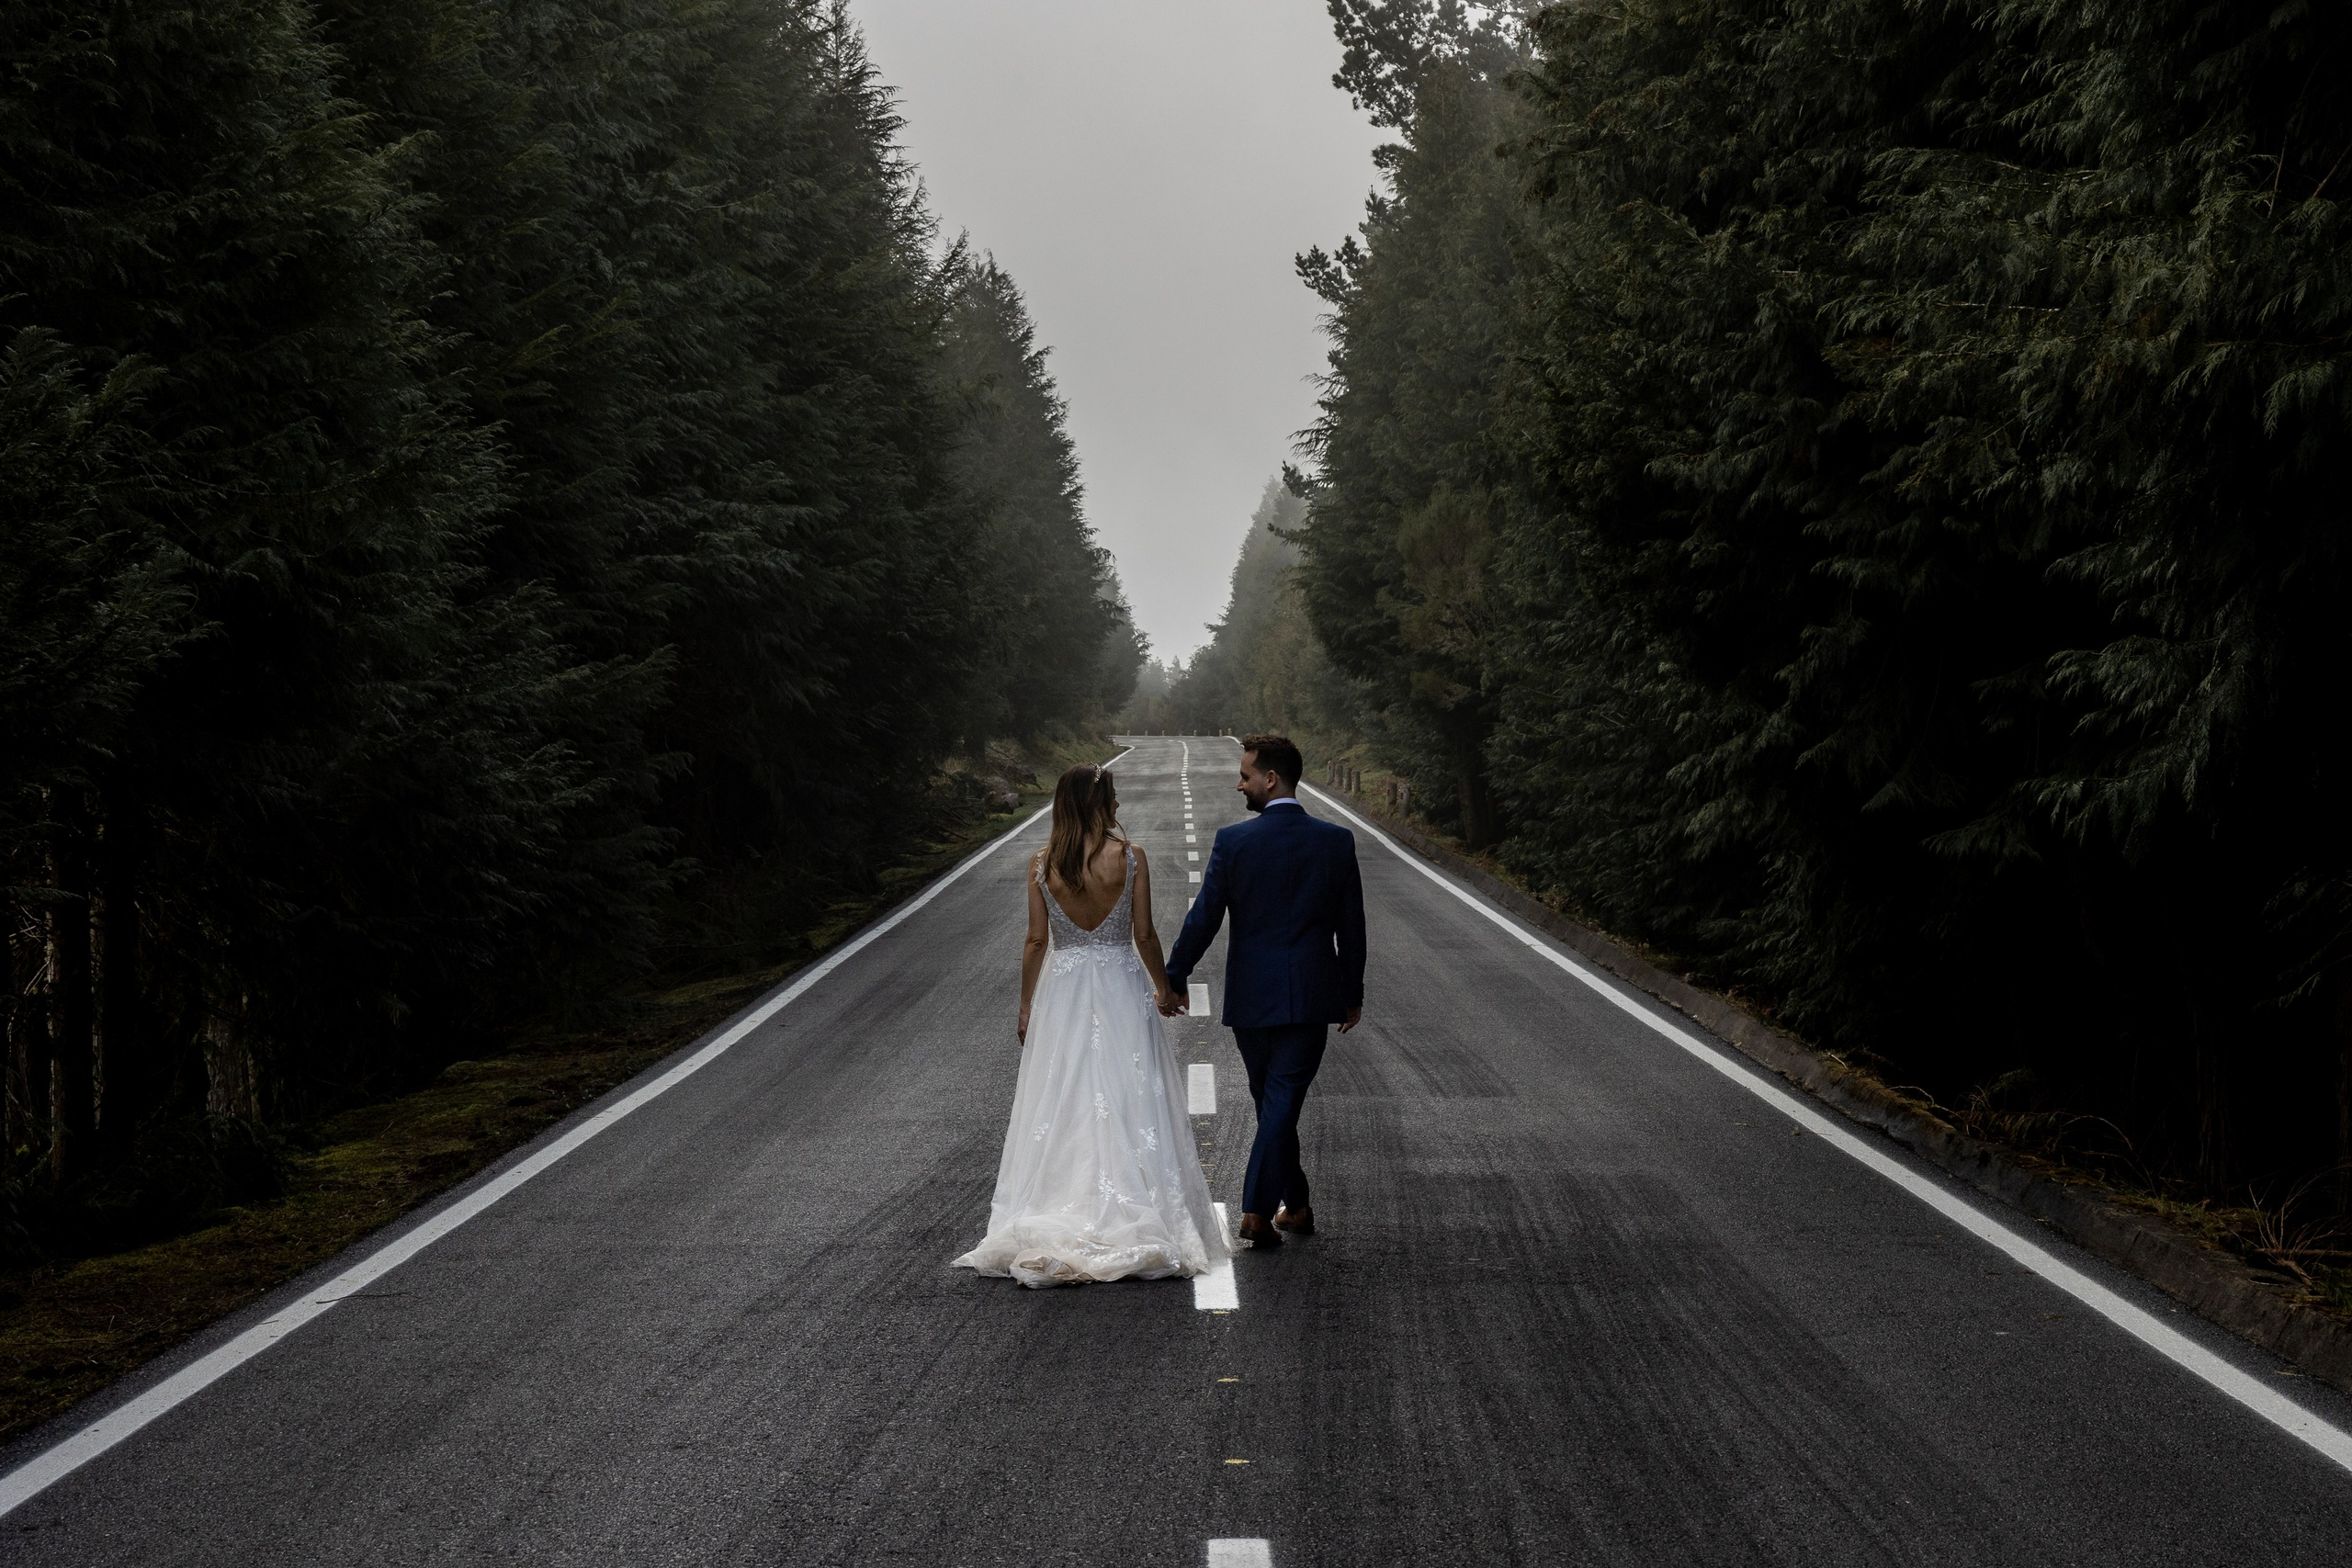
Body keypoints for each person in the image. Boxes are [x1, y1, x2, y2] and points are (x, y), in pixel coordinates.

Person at [952, 762, 1227, 1286]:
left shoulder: (1041, 864)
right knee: (1129, 1092)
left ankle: (1061, 1199)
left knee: (1065, 1091)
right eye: (1114, 798)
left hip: (1064, 989)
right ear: (1097, 804)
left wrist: (1026, 1004)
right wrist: (1163, 988)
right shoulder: (1130, 858)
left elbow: (1036, 941)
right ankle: (1133, 1201)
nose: (1120, 806)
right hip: (1122, 982)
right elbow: (1143, 934)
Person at [1165, 734, 1366, 1249]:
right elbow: (1352, 928)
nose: (1239, 785)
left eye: (1245, 775)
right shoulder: (1334, 841)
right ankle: (1282, 1206)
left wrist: (1175, 974)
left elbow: (1204, 916)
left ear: (1270, 779)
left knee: (1274, 1102)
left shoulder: (1235, 843)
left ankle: (1268, 1209)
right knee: (1277, 1103)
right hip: (1311, 998)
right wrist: (1351, 992)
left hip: (1253, 999)